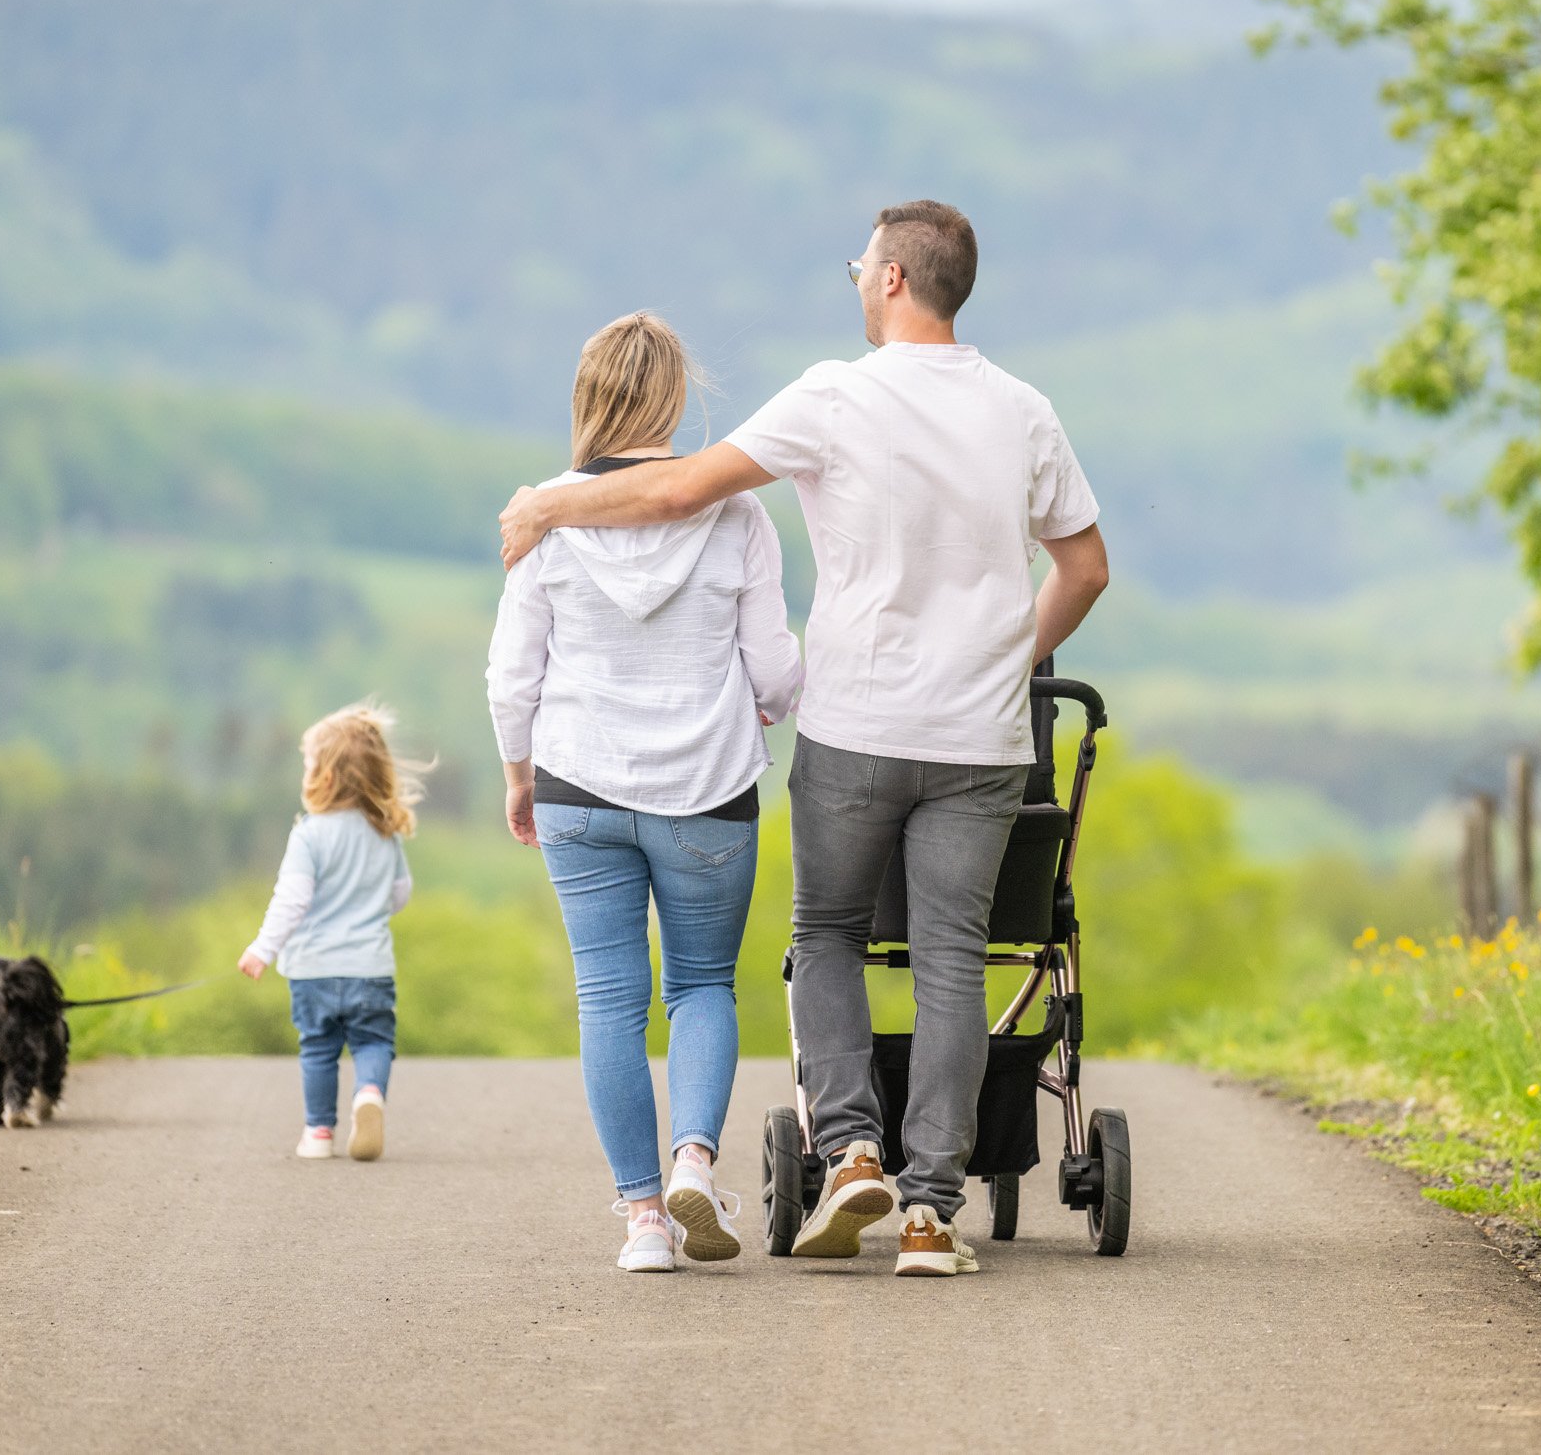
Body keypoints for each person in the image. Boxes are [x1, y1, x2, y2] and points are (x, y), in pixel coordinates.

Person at [499, 201, 1108, 1278]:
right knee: (953, 961)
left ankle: (851, 1151)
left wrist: (549, 510)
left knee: (825, 934)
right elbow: (1084, 568)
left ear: (889, 280)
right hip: (979, 738)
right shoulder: (1024, 410)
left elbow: (681, 486)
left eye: (858, 264)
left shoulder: (835, 395)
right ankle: (929, 1213)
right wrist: (1013, 662)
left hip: (857, 727)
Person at [487, 311, 803, 1273]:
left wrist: (518, 773)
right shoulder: (737, 515)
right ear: (672, 397)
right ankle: (694, 1166)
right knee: (703, 983)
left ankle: (641, 1224)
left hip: (578, 782)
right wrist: (766, 705)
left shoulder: (543, 516)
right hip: (707, 790)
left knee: (608, 998)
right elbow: (777, 671)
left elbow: (512, 674)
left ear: (588, 398)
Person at [236, 701, 422, 1163]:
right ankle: (369, 1095)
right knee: (374, 1042)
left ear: (327, 776)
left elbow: (291, 900)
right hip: (370, 967)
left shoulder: (309, 835)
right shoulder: (385, 833)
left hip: (313, 970)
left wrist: (263, 949)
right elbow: (400, 895)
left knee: (318, 1050)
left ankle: (319, 1134)